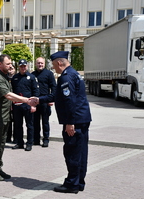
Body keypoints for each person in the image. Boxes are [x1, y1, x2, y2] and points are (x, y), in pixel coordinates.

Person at [30, 51, 92, 194]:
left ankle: (71, 184)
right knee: (81, 152)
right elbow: (57, 95)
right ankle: (79, 182)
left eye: (53, 65)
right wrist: (39, 100)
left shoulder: (66, 77)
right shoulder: (73, 73)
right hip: (82, 119)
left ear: (59, 63)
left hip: (74, 120)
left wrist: (70, 123)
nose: (53, 68)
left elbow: (69, 100)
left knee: (72, 152)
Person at [0, 54, 32, 181]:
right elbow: (8, 95)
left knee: (1, 143)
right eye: (8, 64)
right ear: (0, 64)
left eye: (11, 63)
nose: (11, 66)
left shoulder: (5, 77)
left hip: (5, 116)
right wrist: (26, 100)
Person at [11, 59, 39, 151]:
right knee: (18, 125)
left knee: (30, 125)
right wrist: (12, 104)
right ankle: (19, 143)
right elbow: (12, 92)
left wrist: (33, 105)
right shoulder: (15, 78)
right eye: (21, 66)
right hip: (17, 105)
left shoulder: (31, 77)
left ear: (27, 66)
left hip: (28, 105)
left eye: (24, 66)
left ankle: (29, 143)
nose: (23, 68)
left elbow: (35, 92)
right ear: (18, 67)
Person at [31, 57, 56, 147]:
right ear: (35, 64)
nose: (40, 65)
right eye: (38, 63)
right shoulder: (32, 75)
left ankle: (46, 139)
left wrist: (51, 99)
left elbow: (53, 87)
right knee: (35, 122)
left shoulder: (49, 74)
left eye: (41, 63)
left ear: (44, 64)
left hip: (45, 101)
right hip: (35, 102)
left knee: (45, 122)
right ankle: (36, 139)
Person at [6, 65, 16, 143]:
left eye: (12, 68)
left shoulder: (16, 77)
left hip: (15, 102)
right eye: (9, 68)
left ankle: (16, 138)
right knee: (8, 121)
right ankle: (8, 138)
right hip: (7, 102)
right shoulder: (5, 78)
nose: (10, 70)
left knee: (16, 121)